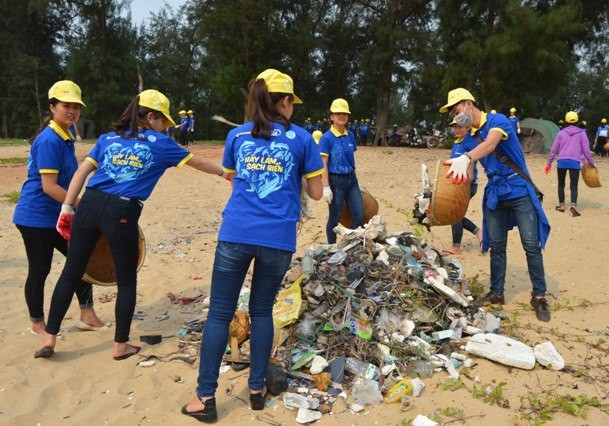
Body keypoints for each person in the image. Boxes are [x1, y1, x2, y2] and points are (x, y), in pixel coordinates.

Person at [35, 89, 228, 360]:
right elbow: (197, 162)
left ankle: (49, 338)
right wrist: (225, 173)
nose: (164, 127)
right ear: (151, 117)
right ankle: (120, 345)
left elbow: (82, 171)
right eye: (163, 121)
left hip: (89, 204)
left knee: (71, 272)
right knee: (126, 280)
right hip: (122, 210)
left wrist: (67, 208)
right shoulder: (161, 143)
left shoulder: (108, 138)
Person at [181, 69, 323, 423]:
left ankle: (205, 398)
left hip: (236, 233)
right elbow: (317, 193)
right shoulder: (302, 139)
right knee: (261, 312)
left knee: (219, 314)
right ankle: (256, 390)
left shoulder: (236, 136)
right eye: (292, 102)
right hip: (278, 239)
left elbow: (233, 181)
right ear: (285, 101)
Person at [440, 88, 551, 322]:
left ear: (469, 104)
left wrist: (467, 157)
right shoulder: (467, 138)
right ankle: (497, 292)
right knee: (497, 245)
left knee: (531, 244)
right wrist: (441, 197)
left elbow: (490, 145)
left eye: (457, 110)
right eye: (452, 113)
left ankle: (539, 296)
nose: (455, 115)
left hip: (518, 188)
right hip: (494, 193)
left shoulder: (497, 120)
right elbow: (467, 174)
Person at [13, 80, 105, 337]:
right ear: (53, 107)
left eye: (76, 106)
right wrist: (82, 204)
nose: (72, 111)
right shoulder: (50, 140)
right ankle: (38, 324)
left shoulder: (65, 138)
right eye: (66, 105)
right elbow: (49, 187)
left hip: (59, 214)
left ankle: (87, 314)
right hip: (36, 217)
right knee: (40, 269)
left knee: (81, 261)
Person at [320, 98, 364, 244]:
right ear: (332, 117)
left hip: (351, 180)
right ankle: (331, 248)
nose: (342, 116)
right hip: (335, 181)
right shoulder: (326, 138)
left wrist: (355, 177)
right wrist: (326, 187)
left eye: (344, 113)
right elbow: (323, 164)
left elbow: (351, 159)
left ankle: (350, 245)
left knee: (358, 215)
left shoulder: (350, 135)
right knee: (334, 218)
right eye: (338, 113)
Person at [544, 111, 596, 217]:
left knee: (561, 184)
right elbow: (587, 150)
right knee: (574, 185)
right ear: (577, 121)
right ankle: (573, 206)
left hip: (562, 162)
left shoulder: (561, 133)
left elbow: (553, 150)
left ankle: (562, 206)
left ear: (566, 121)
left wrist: (548, 164)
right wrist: (592, 163)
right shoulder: (582, 133)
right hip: (575, 162)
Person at [442, 119, 482, 255]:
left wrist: (468, 182)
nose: (457, 129)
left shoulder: (469, 140)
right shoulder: (457, 141)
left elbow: (472, 159)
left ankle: (456, 246)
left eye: (461, 127)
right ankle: (479, 233)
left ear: (468, 127)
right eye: (455, 126)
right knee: (455, 213)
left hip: (466, 185)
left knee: (454, 213)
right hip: (457, 183)